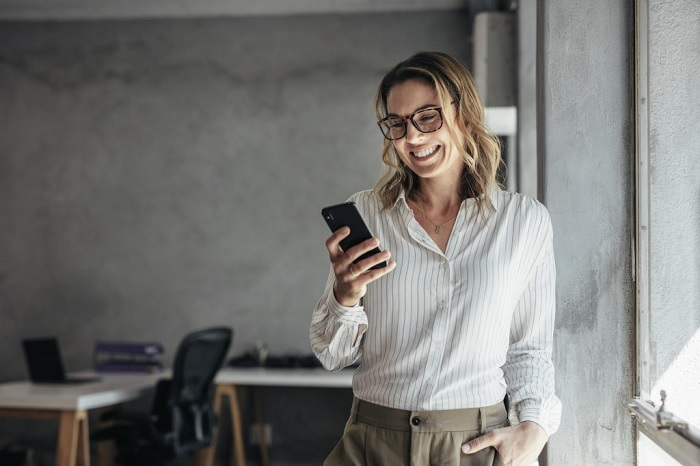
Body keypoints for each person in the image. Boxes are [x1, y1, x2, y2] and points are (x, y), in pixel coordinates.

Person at [310, 51, 561, 466]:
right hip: (373, 441)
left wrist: (533, 428)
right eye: (397, 124)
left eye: (428, 117)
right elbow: (331, 355)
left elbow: (529, 348)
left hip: (473, 445)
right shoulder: (369, 214)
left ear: (464, 114)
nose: (412, 138)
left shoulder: (523, 221)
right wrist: (345, 295)